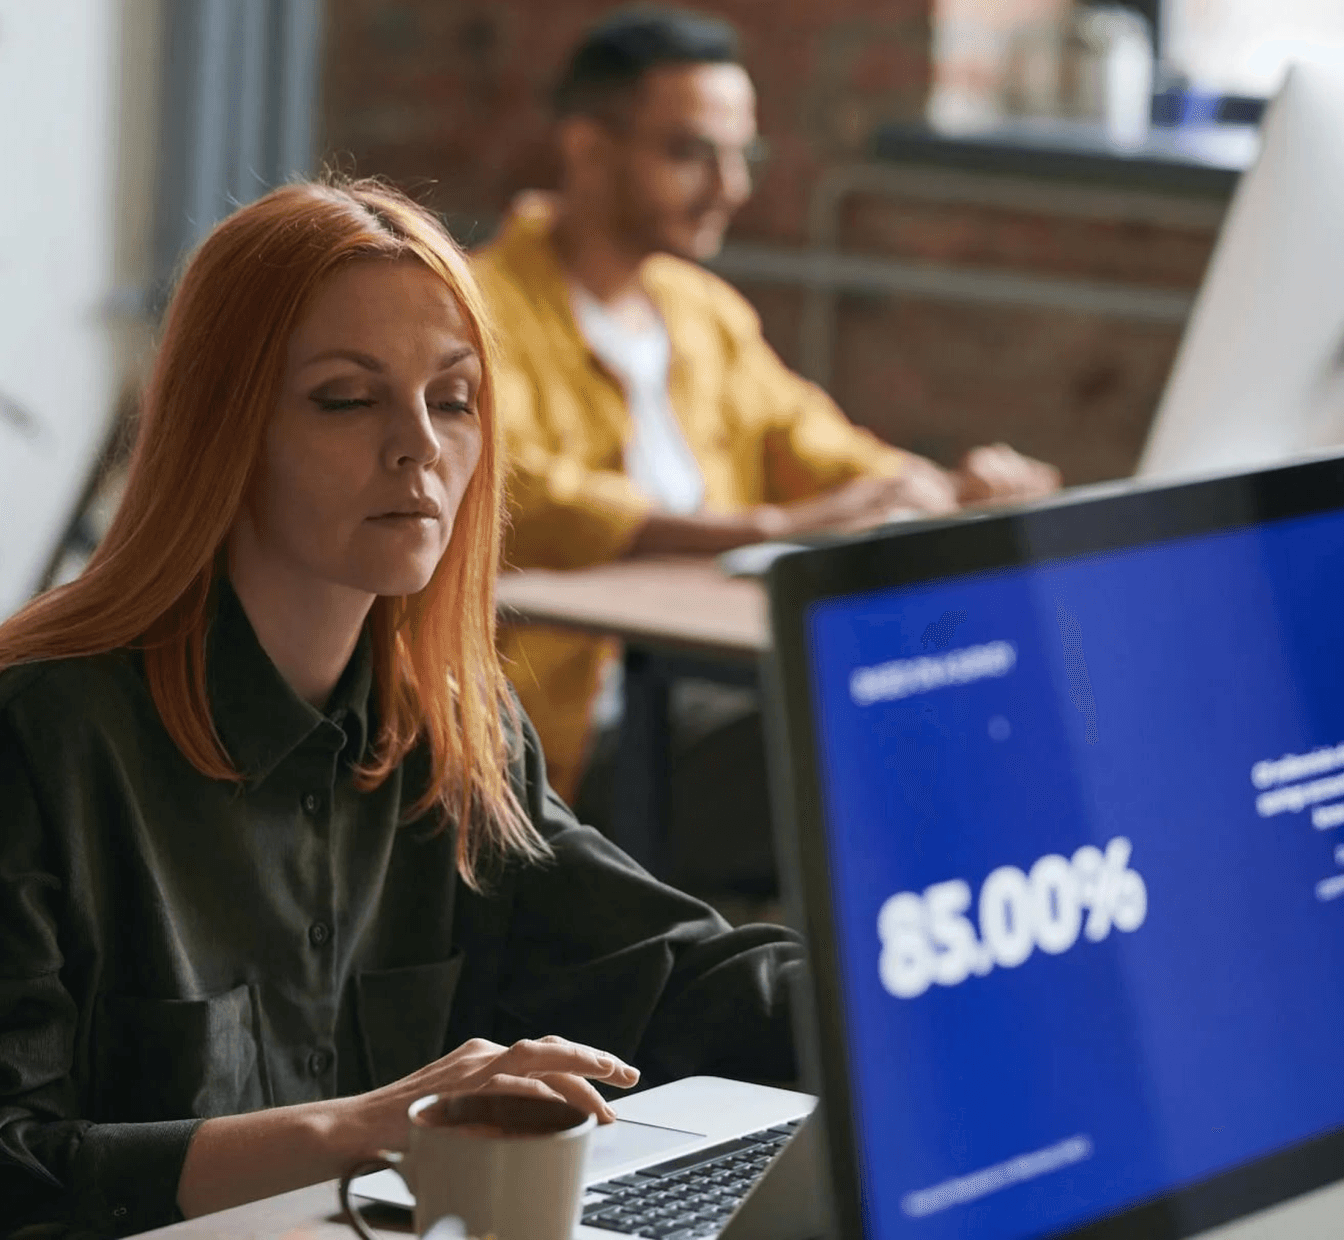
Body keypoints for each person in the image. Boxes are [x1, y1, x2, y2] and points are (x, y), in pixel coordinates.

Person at [0, 182, 800, 1237]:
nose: (418, 446)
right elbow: (17, 1168)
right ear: (222, 428)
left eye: (454, 399)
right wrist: (369, 1127)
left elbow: (671, 975)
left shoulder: (452, 731)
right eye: (346, 398)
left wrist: (940, 999)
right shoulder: (41, 735)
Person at [473, 4, 1059, 813]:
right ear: (588, 148)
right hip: (563, 740)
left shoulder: (702, 312)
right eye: (690, 154)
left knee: (977, 692)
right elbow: (523, 497)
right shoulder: (473, 311)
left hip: (707, 686)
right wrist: (778, 531)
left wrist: (945, 490)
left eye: (742, 153)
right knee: (902, 736)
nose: (733, 187)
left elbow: (820, 447)